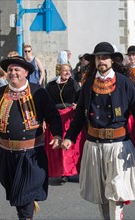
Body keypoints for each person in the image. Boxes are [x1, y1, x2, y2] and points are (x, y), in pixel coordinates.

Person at [61, 42, 135, 220]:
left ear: (112, 60)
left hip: (118, 146)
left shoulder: (124, 82)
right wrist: (69, 137)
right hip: (94, 145)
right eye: (98, 57)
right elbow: (79, 116)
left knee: (116, 192)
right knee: (100, 193)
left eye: (105, 57)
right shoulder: (88, 84)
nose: (101, 61)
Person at [0, 56, 62, 220]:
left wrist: (58, 134)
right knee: (16, 193)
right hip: (6, 155)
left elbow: (53, 116)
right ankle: (27, 209)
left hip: (32, 154)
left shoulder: (39, 92)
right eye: (10, 70)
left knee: (25, 195)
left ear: (26, 72)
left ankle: (26, 214)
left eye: (17, 70)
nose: (13, 73)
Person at [45, 55, 83, 183]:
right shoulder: (51, 85)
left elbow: (80, 99)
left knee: (70, 145)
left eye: (69, 70)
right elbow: (47, 102)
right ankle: (60, 171)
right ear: (59, 71)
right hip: (56, 117)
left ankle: (70, 170)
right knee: (57, 145)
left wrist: (77, 105)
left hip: (69, 117)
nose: (67, 72)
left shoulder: (74, 84)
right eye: (64, 70)